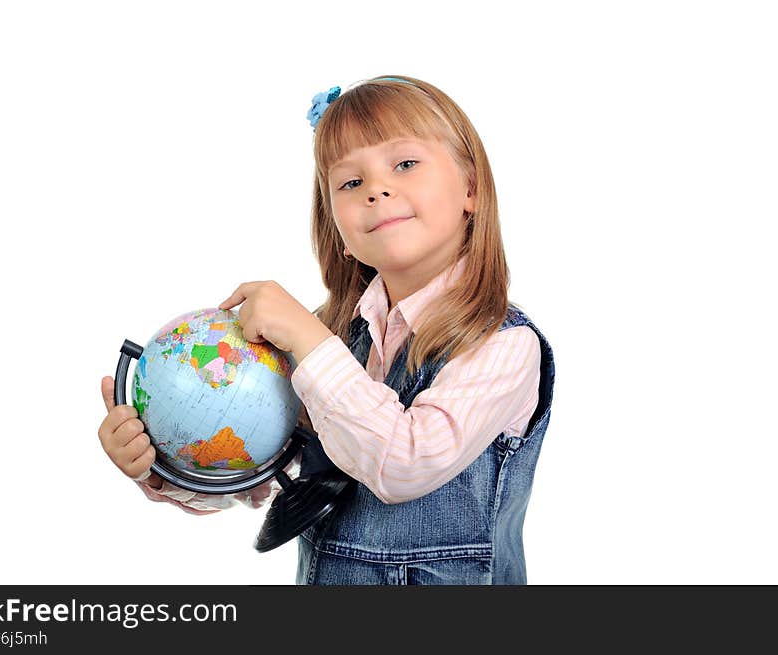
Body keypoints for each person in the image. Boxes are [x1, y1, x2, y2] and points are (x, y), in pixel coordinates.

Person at [97, 74, 555, 584]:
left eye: (405, 164)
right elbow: (267, 475)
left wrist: (309, 341)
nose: (377, 189)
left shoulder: (501, 344)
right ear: (338, 230)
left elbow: (405, 462)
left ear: (470, 188)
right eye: (350, 182)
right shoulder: (333, 339)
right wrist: (161, 469)